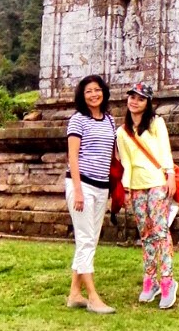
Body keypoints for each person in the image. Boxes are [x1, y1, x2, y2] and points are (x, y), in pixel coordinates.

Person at [116, 82, 179, 309]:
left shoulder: (156, 123)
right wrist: (125, 189)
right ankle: (149, 280)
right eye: (132, 97)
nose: (134, 101)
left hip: (157, 183)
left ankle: (167, 281)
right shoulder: (122, 132)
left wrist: (170, 175)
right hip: (136, 186)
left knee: (160, 231)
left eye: (140, 98)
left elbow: (165, 150)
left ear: (147, 103)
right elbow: (127, 163)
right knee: (145, 234)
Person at [65, 74, 117, 314]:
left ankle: (75, 294)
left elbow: (113, 155)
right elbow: (73, 157)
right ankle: (93, 297)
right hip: (82, 186)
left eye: (97, 90)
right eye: (88, 91)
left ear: (104, 93)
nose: (94, 94)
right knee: (85, 240)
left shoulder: (109, 120)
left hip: (101, 186)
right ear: (82, 96)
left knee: (90, 240)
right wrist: (77, 191)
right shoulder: (77, 120)